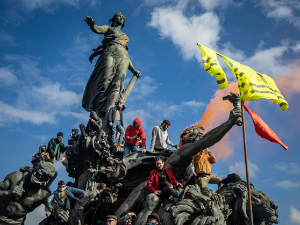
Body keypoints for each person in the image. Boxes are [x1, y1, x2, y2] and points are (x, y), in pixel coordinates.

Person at [82, 12, 141, 117]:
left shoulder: (125, 37)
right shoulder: (108, 28)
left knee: (119, 81)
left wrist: (133, 70)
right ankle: (99, 109)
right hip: (109, 54)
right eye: (119, 16)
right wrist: (92, 25)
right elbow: (97, 29)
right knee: (105, 81)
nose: (121, 17)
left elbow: (126, 54)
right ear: (113, 19)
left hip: (123, 57)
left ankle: (111, 108)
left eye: (123, 17)